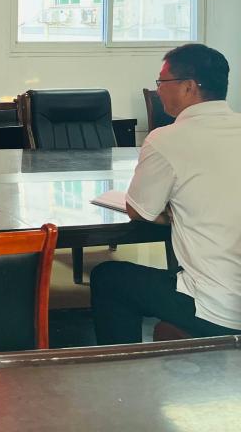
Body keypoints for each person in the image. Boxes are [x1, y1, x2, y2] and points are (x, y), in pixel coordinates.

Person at [91, 43, 241, 344]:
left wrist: (174, 213)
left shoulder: (166, 139)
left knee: (108, 278)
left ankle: (122, 367)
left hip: (217, 309)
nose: (158, 90)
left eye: (162, 81)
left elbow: (139, 210)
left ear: (188, 87)